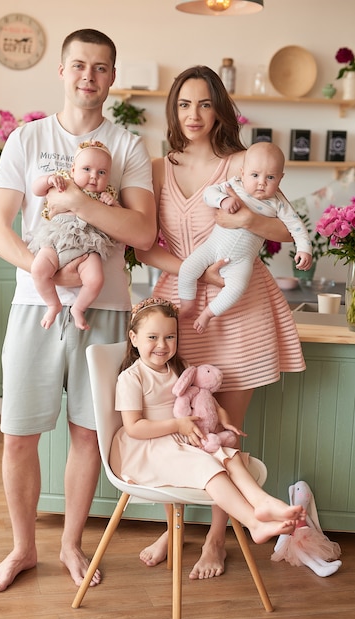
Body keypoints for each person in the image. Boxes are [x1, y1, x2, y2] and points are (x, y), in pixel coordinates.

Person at [0, 28, 156, 592]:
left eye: (101, 67)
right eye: (79, 65)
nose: (89, 76)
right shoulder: (26, 140)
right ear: (62, 71)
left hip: (102, 309)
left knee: (88, 436)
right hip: (35, 306)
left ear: (112, 76)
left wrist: (79, 201)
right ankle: (23, 548)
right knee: (17, 436)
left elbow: (143, 230)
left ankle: (70, 547)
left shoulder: (127, 146)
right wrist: (44, 267)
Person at [136, 65, 306, 580]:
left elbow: (281, 225)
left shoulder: (243, 164)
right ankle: (177, 524)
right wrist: (199, 273)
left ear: (220, 110)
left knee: (224, 430)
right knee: (182, 423)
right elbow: (145, 243)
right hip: (182, 305)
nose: (194, 115)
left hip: (241, 306)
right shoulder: (157, 167)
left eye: (205, 104)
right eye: (184, 104)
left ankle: (215, 538)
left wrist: (245, 220)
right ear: (173, 109)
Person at [110, 297, 305, 546]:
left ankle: (263, 502)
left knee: (228, 454)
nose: (162, 345)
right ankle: (254, 523)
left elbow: (204, 398)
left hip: (181, 438)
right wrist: (177, 426)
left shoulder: (180, 369)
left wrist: (222, 416)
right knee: (210, 468)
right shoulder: (131, 377)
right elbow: (134, 427)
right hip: (147, 448)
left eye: (170, 337)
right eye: (152, 337)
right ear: (134, 338)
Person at [178, 141, 312, 333]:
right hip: (212, 248)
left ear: (280, 179)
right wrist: (223, 200)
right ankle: (187, 304)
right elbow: (208, 193)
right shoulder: (234, 186)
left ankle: (208, 313)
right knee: (187, 269)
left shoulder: (278, 204)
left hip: (241, 260)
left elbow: (296, 226)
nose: (261, 182)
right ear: (242, 173)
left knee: (236, 289)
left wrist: (304, 249)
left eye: (270, 177)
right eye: (255, 175)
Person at [30, 140, 119, 330]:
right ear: (72, 170)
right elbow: (36, 190)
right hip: (56, 239)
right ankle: (53, 304)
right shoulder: (63, 181)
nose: (94, 176)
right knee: (38, 269)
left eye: (101, 172)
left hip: (88, 244)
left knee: (96, 279)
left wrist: (113, 204)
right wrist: (48, 180)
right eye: (86, 169)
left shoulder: (107, 193)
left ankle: (78, 308)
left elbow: (119, 219)